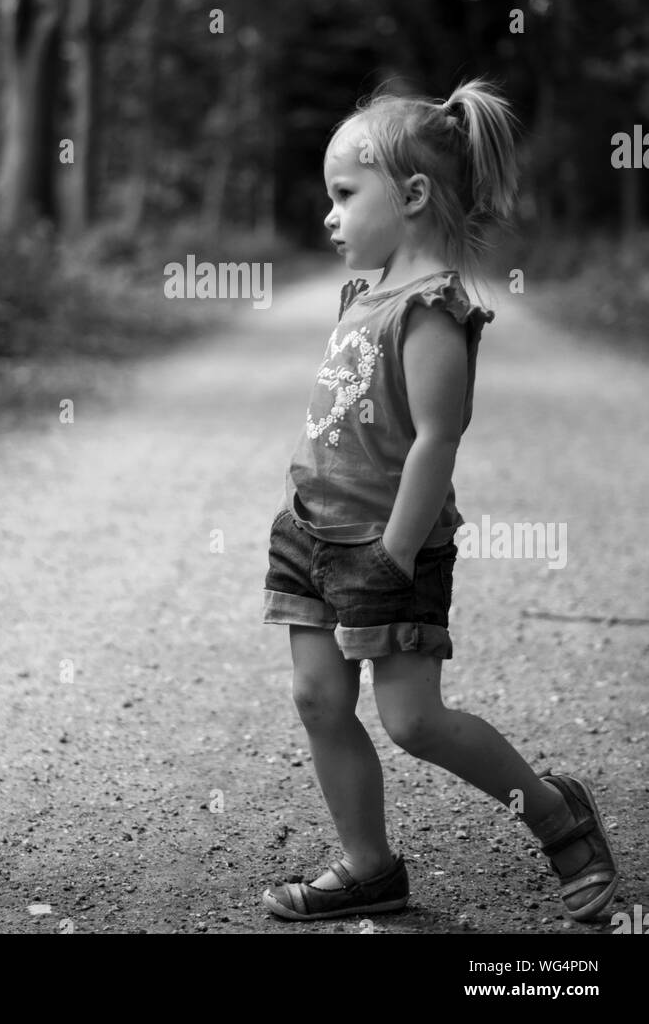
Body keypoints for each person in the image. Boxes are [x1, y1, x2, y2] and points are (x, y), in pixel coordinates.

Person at [262, 80, 617, 923]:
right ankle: (368, 865)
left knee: (413, 720)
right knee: (317, 699)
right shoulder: (363, 295)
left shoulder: (431, 311)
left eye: (344, 195)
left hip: (390, 545)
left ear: (412, 194)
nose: (329, 217)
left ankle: (557, 815)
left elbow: (435, 439)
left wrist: (392, 553)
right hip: (308, 533)